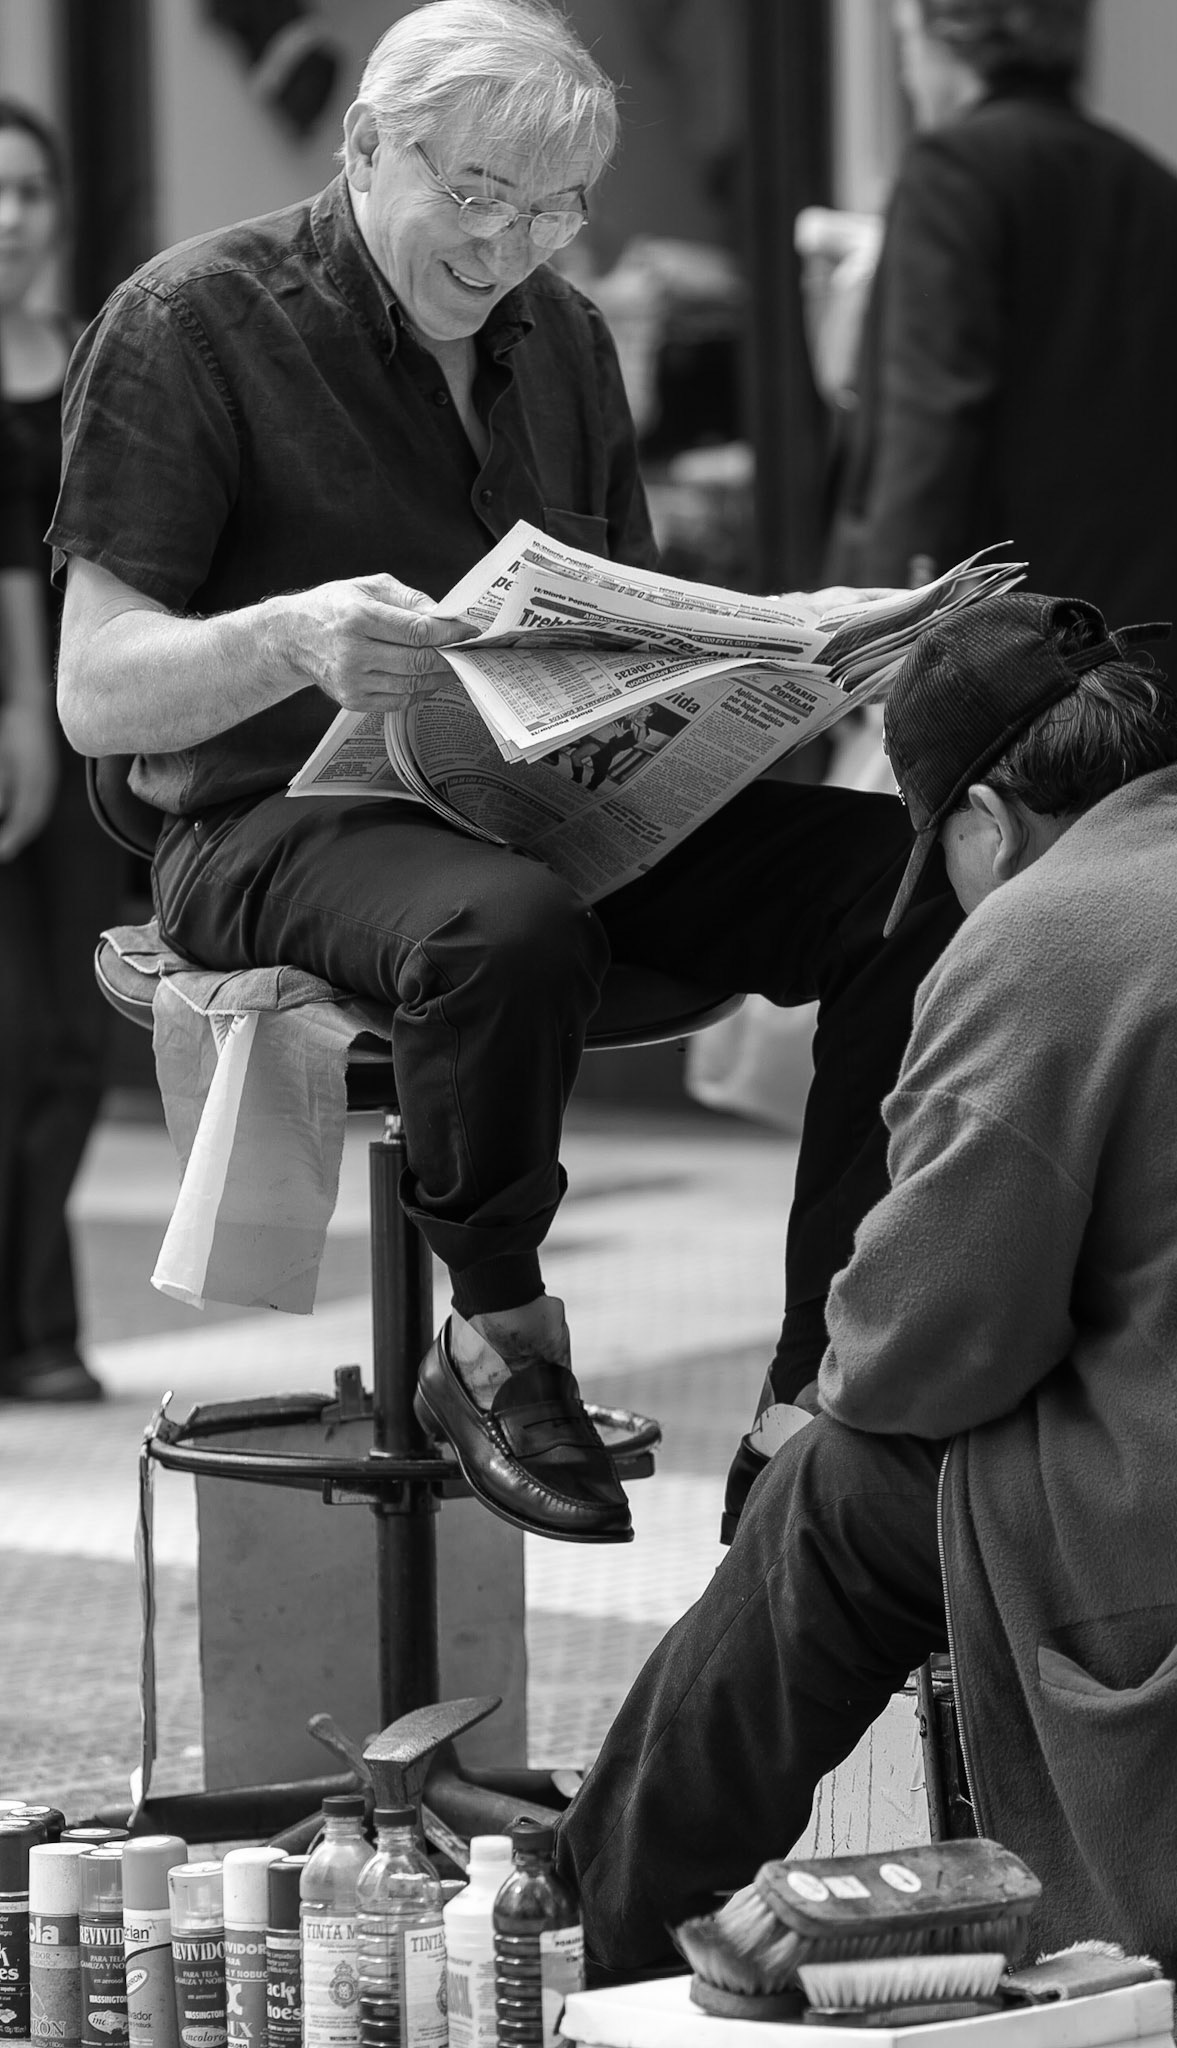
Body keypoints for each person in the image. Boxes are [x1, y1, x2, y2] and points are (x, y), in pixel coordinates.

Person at [52, 0, 962, 1539]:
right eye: (473, 195)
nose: (506, 248)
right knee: (506, 929)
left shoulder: (569, 337)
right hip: (272, 822)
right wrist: (293, 636)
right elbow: (93, 692)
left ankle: (822, 1380)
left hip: (539, 801)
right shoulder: (190, 321)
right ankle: (496, 1336)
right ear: (363, 148)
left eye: (551, 212)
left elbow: (623, 646)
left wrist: (782, 667)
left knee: (911, 879)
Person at [557, 590, 1177, 1984]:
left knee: (834, 1489)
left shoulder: (1039, 931)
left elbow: (931, 1344)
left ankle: (609, 1940)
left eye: (944, 857)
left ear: (984, 819)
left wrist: (813, 1405)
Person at [829, 0, 1177, 748]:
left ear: (945, 37)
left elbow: (932, 419)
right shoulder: (1165, 192)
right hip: (1139, 658)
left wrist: (885, 639)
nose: (903, 70)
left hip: (991, 664)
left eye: (902, 42)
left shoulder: (951, 169)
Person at [0, 100, 117, 1403]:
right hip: (16, 722)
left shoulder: (97, 361)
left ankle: (40, 1323)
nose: (10, 217)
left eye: (30, 190)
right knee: (9, 1039)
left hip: (87, 739)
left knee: (73, 1047)